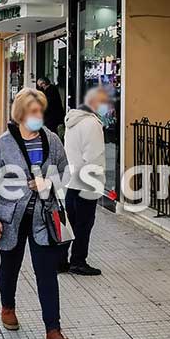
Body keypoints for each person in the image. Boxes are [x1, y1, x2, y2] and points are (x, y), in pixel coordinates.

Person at [0, 87, 73, 339]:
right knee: (10, 267)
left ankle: (53, 331)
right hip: (11, 218)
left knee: (47, 273)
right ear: (21, 114)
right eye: (34, 111)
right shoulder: (3, 143)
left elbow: (66, 173)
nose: (39, 116)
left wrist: (48, 182)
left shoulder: (51, 140)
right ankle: (8, 306)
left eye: (40, 111)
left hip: (43, 218)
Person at [57, 87, 109, 276]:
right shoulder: (91, 124)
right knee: (84, 224)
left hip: (72, 180)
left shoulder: (72, 122)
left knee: (70, 223)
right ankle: (78, 261)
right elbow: (93, 156)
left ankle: (60, 261)